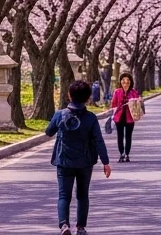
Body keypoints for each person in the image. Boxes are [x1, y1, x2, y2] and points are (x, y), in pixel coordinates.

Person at [45, 80, 112, 235]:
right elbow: (98, 141)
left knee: (63, 195)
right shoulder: (91, 118)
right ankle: (80, 228)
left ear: (69, 95)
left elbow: (49, 132)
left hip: (64, 161)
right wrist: (105, 162)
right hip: (85, 162)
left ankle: (64, 225)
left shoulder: (60, 115)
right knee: (82, 195)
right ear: (88, 97)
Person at [109, 73, 141, 162]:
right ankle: (121, 153)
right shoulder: (117, 92)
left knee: (128, 136)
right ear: (120, 82)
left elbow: (138, 105)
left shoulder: (134, 92)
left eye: (127, 82)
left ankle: (127, 154)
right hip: (119, 117)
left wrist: (138, 101)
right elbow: (113, 104)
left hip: (130, 117)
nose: (125, 84)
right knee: (120, 136)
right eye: (123, 82)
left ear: (131, 83)